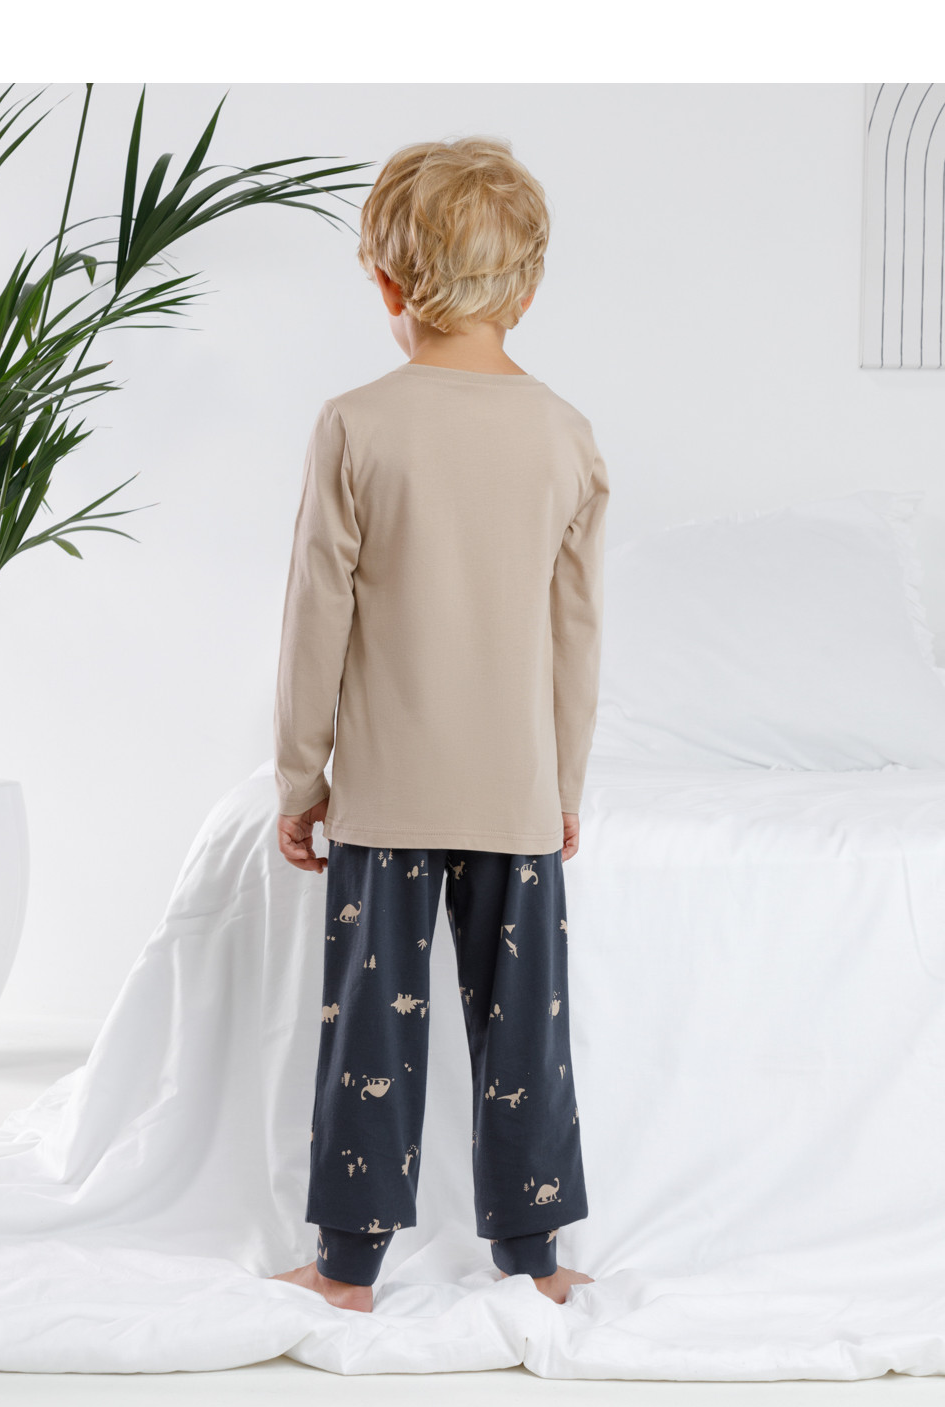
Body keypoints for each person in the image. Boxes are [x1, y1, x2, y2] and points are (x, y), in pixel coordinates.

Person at [269, 136, 610, 1313]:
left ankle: (345, 1269)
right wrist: (563, 784)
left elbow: (314, 618)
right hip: (515, 790)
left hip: (386, 793)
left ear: (386, 283)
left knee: (369, 1026)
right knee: (527, 1033)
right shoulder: (565, 433)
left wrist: (298, 778)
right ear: (528, 289)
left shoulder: (355, 425)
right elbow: (576, 634)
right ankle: (536, 1261)